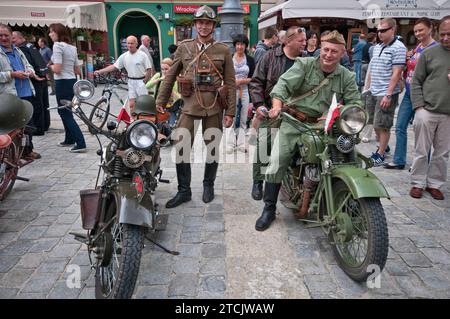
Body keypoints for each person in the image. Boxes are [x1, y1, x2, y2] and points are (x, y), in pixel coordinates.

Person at [255, 30, 362, 231]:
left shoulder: (346, 76)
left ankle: (351, 199)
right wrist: (277, 107)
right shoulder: (304, 65)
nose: (329, 55)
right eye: (326, 50)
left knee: (348, 153)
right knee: (278, 159)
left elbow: (355, 102)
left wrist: (340, 111)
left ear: (342, 54)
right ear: (320, 48)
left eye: (335, 52)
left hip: (324, 125)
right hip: (294, 122)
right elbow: (282, 86)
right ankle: (269, 208)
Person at [156, 5, 236, 208]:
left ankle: (208, 185)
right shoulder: (184, 47)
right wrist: (160, 101)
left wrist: (231, 112)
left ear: (213, 26)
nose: (203, 26)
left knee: (212, 148)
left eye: (208, 23)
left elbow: (231, 82)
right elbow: (170, 77)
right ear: (195, 25)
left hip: (214, 106)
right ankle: (184, 191)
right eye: (200, 22)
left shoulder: (223, 50)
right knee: (181, 147)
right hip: (190, 105)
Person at [249, 26, 307, 201]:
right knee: (264, 145)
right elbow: (256, 82)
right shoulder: (270, 56)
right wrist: (259, 105)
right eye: (301, 40)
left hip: (297, 113)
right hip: (272, 110)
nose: (305, 43)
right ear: (288, 41)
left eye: (305, 40)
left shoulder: (307, 60)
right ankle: (258, 181)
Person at [385, 18, 438, 170]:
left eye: (421, 30)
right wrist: (409, 57)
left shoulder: (435, 49)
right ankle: (399, 160)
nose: (418, 33)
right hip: (409, 93)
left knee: (422, 132)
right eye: (415, 31)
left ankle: (421, 164)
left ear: (430, 29)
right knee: (400, 126)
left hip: (424, 96)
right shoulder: (419, 47)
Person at [409, 16, 450, 200]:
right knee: (421, 150)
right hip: (426, 110)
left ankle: (435, 184)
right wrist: (418, 107)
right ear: (437, 32)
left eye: (449, 34)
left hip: (448, 114)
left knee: (442, 153)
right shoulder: (429, 53)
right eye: (442, 34)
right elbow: (416, 80)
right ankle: (417, 183)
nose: (445, 38)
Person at [366, 18, 406, 166]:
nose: (380, 33)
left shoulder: (399, 47)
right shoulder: (377, 46)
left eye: (383, 30)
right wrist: (367, 87)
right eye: (378, 30)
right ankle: (384, 144)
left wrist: (388, 94)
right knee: (372, 121)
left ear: (393, 30)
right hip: (373, 90)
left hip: (386, 91)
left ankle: (381, 153)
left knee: (383, 124)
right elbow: (372, 68)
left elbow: (397, 73)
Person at [0, 24, 41, 160]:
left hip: (26, 92)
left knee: (27, 126)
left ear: (12, 36)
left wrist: (30, 71)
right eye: (0, 35)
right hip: (9, 96)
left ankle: (27, 151)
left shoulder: (18, 50)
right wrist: (12, 74)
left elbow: (28, 65)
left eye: (6, 35)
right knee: (11, 128)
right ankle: (9, 154)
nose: (4, 38)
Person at [48, 23, 86, 153]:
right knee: (67, 111)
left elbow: (57, 69)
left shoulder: (57, 46)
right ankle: (69, 139)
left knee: (64, 113)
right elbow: (77, 70)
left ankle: (80, 142)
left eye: (51, 32)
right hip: (71, 81)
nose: (49, 34)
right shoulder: (72, 47)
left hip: (62, 82)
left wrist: (49, 67)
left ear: (58, 33)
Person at [95, 35, 152, 113]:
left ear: (136, 44)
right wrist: (100, 71)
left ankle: (145, 121)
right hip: (131, 81)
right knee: (131, 104)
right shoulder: (124, 56)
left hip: (141, 81)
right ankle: (133, 122)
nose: (129, 45)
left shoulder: (142, 55)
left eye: (132, 43)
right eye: (128, 43)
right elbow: (114, 66)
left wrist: (145, 81)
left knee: (143, 104)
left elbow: (149, 69)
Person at [12, 31, 48, 136]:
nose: (12, 41)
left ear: (20, 38)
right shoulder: (31, 46)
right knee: (43, 104)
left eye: (13, 38)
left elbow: (28, 65)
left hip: (34, 79)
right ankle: (45, 125)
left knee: (37, 105)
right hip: (42, 76)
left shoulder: (23, 49)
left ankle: (39, 128)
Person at [225, 34, 255, 154]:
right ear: (235, 45)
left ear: (245, 46)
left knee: (243, 118)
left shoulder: (250, 60)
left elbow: (253, 78)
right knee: (230, 116)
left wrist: (242, 81)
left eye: (242, 44)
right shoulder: (229, 58)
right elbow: (225, 75)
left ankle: (242, 143)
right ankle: (230, 144)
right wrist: (232, 83)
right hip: (231, 91)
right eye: (237, 44)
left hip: (245, 91)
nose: (239, 46)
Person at [146, 57, 180, 125]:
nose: (164, 71)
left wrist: (170, 90)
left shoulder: (177, 78)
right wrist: (159, 79)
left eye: (166, 69)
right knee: (158, 126)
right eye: (162, 69)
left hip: (172, 107)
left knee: (171, 126)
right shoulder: (159, 75)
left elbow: (180, 97)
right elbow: (147, 86)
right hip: (159, 107)